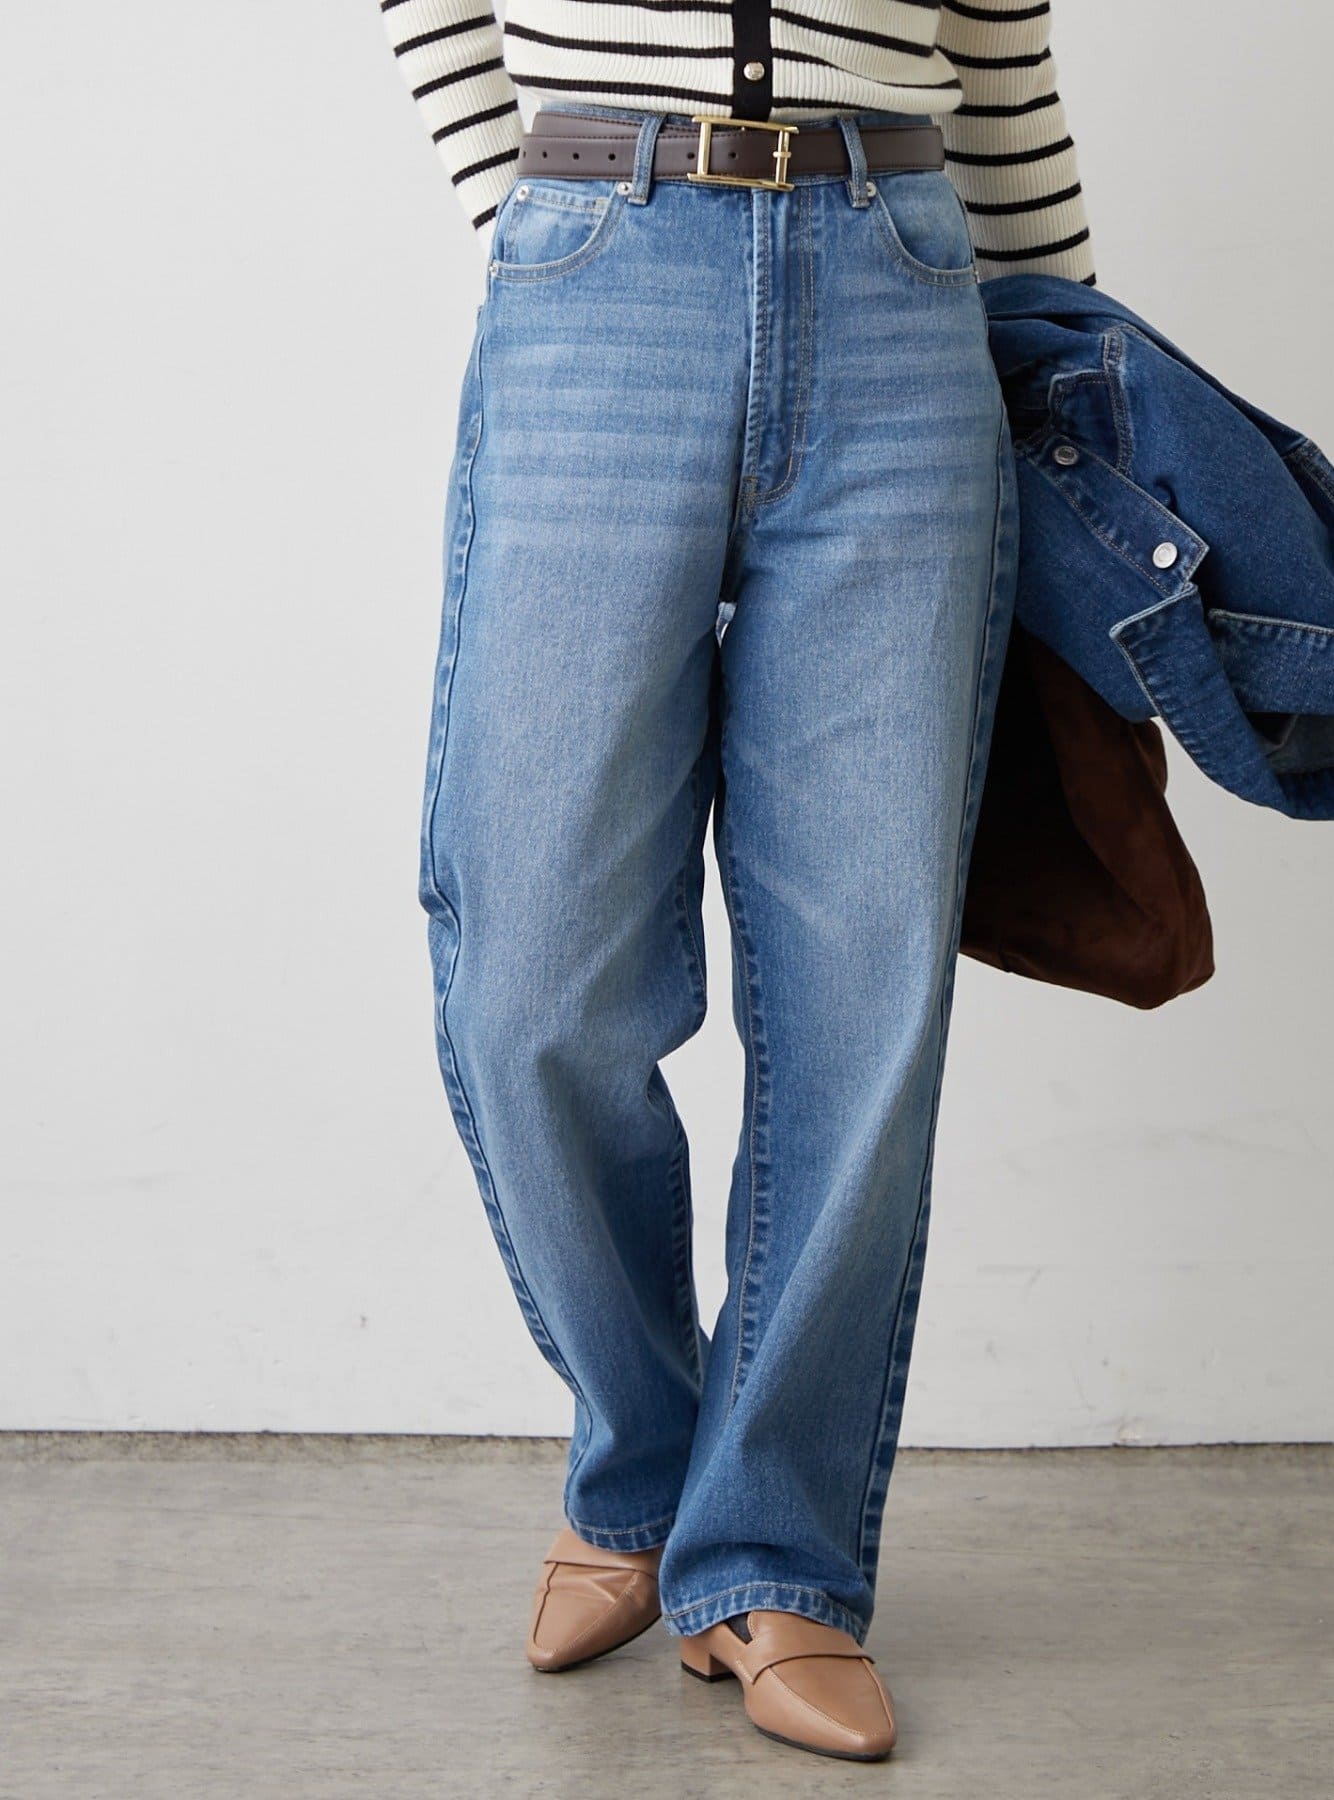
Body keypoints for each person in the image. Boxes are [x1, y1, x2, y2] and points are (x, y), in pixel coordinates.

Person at [380, 0, 1093, 1762]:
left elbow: (1001, 46)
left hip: (899, 282)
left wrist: (1071, 360)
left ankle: (779, 1549)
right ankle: (640, 1465)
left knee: (863, 987)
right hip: (598, 268)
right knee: (532, 972)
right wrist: (543, 207)